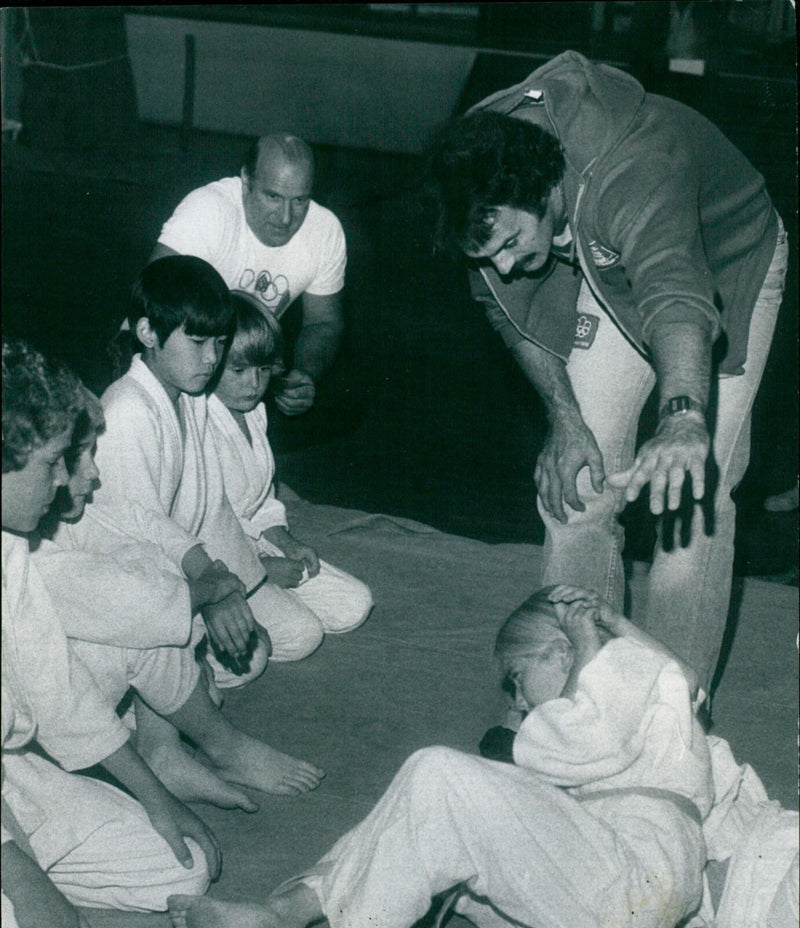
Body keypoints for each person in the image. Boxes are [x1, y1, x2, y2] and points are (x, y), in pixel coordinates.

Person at [167, 585, 719, 928]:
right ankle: (291, 911)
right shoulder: (644, 683)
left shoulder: (617, 684)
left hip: (618, 902)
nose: (519, 702)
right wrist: (614, 623)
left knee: (439, 773)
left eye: (518, 680)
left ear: (561, 652)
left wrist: (592, 644)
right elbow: (683, 678)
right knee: (427, 798)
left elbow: (587, 735)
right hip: (585, 914)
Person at [423, 50, 788, 695]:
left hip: (726, 259)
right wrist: (563, 420)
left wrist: (683, 417)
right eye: (491, 253)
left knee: (689, 489)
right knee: (575, 482)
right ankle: (579, 689)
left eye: (510, 244)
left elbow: (675, 295)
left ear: (541, 188)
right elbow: (510, 312)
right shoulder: (481, 176)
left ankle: (670, 709)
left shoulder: (631, 169)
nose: (505, 266)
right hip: (602, 258)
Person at [2, 339, 218, 928]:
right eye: (53, 463)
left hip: (12, 785)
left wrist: (154, 792)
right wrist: (29, 884)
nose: (68, 483)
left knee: (184, 864)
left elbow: (55, 691)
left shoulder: (8, 544)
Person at [33, 386, 324, 801]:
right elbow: (133, 601)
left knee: (151, 567)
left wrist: (205, 568)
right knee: (151, 607)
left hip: (73, 681)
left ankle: (162, 749)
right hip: (37, 723)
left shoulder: (52, 513)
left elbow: (140, 522)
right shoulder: (25, 550)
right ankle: (222, 748)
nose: (94, 473)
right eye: (78, 459)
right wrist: (211, 588)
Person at [93, 255, 278, 691]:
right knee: (249, 661)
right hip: (133, 584)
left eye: (219, 342)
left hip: (193, 565)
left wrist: (231, 584)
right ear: (147, 333)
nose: (212, 358)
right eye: (198, 343)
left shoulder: (191, 395)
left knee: (283, 640)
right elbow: (134, 539)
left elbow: (211, 508)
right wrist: (204, 599)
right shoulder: (126, 412)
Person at [207, 290, 373, 660]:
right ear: (211, 362)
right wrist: (260, 571)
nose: (254, 384)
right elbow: (199, 527)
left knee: (354, 604)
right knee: (303, 637)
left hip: (255, 544)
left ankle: (268, 606)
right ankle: (203, 629)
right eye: (238, 371)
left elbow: (263, 497)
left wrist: (285, 542)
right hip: (215, 563)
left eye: (263, 370)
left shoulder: (253, 412)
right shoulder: (197, 423)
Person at [150, 133, 345, 418]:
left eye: (300, 200)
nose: (286, 218)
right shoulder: (209, 209)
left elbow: (324, 321)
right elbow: (155, 298)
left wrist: (303, 375)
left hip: (237, 374)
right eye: (273, 197)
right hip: (162, 352)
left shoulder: (325, 230)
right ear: (246, 180)